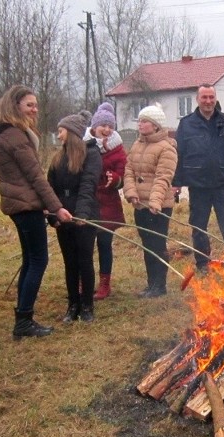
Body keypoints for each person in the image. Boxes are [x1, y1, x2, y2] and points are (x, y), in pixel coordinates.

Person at [0, 85, 72, 340]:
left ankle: (23, 316)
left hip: (20, 205)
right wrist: (57, 208)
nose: (35, 109)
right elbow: (36, 178)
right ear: (14, 105)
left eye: (36, 104)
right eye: (29, 104)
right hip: (25, 206)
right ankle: (23, 321)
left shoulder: (5, 134)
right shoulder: (15, 136)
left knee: (30, 260)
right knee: (38, 261)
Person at [173, 84, 224, 275]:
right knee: (198, 226)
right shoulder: (186, 124)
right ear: (198, 100)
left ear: (215, 99)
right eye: (204, 98)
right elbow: (179, 155)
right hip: (197, 185)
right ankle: (203, 264)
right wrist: (176, 182)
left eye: (211, 97)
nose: (208, 101)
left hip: (222, 184)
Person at [48, 111, 101, 323]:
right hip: (63, 216)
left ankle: (87, 305)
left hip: (84, 216)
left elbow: (88, 186)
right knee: (69, 262)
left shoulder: (91, 154)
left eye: (61, 131)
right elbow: (49, 187)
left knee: (84, 261)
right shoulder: (58, 157)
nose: (58, 135)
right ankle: (73, 304)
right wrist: (54, 214)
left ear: (71, 133)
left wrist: (82, 215)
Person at [123, 103, 177, 298]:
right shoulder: (137, 144)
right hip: (140, 204)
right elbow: (128, 170)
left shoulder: (167, 148)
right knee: (147, 244)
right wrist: (131, 192)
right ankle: (150, 283)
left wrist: (155, 202)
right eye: (140, 120)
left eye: (145, 121)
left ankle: (160, 285)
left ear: (155, 125)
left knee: (157, 245)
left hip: (159, 205)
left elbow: (163, 177)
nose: (140, 124)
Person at [86, 102, 127, 301]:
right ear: (94, 126)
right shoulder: (82, 144)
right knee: (84, 245)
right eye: (103, 125)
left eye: (110, 126)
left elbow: (123, 173)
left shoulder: (117, 149)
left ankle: (105, 284)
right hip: (86, 203)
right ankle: (83, 281)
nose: (107, 129)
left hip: (107, 203)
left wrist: (117, 180)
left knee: (104, 244)